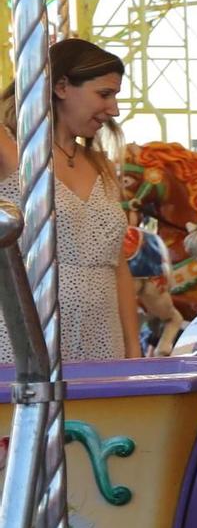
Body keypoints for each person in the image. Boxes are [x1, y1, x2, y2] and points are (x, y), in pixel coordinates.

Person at [0, 38, 139, 362]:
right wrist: (32, 67)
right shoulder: (14, 154)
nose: (114, 109)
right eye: (104, 94)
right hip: (27, 331)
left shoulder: (101, 164)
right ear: (61, 86)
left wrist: (133, 348)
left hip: (103, 336)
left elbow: (118, 267)